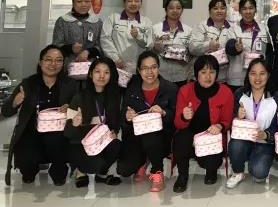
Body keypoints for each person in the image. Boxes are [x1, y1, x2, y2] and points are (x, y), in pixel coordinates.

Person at [2, 45, 77, 186]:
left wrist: (70, 108)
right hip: (31, 132)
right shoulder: (28, 83)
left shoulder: (70, 84)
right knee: (27, 168)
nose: (53, 64)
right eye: (48, 59)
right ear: (40, 62)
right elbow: (5, 111)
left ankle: (58, 171)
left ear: (63, 63)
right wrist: (15, 102)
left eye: (58, 60)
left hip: (58, 132)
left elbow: (80, 109)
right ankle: (31, 169)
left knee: (57, 141)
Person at [172, 55, 234, 193]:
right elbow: (178, 124)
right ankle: (182, 175)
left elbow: (227, 121)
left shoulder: (226, 92)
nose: (208, 76)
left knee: (210, 163)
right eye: (203, 72)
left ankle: (211, 170)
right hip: (190, 133)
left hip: (211, 136)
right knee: (181, 138)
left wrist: (220, 126)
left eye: (212, 72)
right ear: (196, 74)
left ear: (217, 73)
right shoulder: (184, 90)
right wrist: (184, 117)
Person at [118, 51, 177, 192]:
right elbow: (123, 120)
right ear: (139, 70)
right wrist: (128, 117)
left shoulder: (170, 88)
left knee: (151, 135)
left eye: (153, 67)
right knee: (124, 170)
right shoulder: (132, 89)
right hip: (137, 137)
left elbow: (176, 118)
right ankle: (144, 160)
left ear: (158, 68)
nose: (150, 72)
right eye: (145, 68)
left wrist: (163, 113)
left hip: (162, 137)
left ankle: (157, 172)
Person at [65, 57, 122, 187]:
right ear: (91, 74)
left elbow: (115, 124)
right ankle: (80, 171)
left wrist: (114, 132)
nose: (102, 76)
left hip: (101, 142)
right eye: (97, 71)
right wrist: (74, 124)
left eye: (106, 72)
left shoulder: (114, 98)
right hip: (81, 144)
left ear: (111, 75)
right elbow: (68, 133)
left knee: (117, 145)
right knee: (94, 164)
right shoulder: (79, 97)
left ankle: (101, 175)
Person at [226, 58, 278, 188]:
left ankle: (257, 158)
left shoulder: (276, 97)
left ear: (268, 75)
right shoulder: (239, 94)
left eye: (262, 73)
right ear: (248, 75)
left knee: (259, 174)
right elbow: (230, 120)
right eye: (253, 73)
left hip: (264, 143)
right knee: (236, 145)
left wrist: (266, 135)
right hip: (243, 139)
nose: (257, 78)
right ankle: (238, 172)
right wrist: (237, 117)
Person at [101, 0, 153, 82]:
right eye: (129, 1)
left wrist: (138, 36)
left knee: (135, 89)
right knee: (115, 89)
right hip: (116, 66)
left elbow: (149, 44)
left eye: (136, 1)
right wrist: (115, 59)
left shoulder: (146, 22)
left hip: (138, 68)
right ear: (124, 3)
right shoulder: (113, 18)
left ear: (141, 3)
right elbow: (105, 39)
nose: (133, 4)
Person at [225, 0, 273, 91]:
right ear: (240, 11)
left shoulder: (263, 29)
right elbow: (228, 48)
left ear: (255, 10)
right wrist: (235, 48)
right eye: (244, 9)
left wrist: (267, 71)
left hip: (258, 79)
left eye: (251, 8)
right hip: (237, 79)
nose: (248, 12)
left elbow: (269, 53)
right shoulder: (233, 29)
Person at [52, 0, 103, 74]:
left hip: (91, 67)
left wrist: (88, 52)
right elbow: (56, 46)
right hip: (67, 67)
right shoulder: (63, 21)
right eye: (79, 1)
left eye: (87, 1)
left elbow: (101, 46)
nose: (83, 4)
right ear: (73, 3)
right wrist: (71, 48)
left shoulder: (97, 22)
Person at [189, 0, 236, 84]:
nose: (219, 11)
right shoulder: (202, 26)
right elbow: (192, 48)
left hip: (223, 78)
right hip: (201, 77)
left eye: (222, 8)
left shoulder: (232, 28)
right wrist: (208, 45)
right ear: (210, 11)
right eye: (215, 8)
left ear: (226, 10)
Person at [152, 0, 193, 87]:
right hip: (160, 75)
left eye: (178, 8)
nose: (175, 10)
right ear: (166, 10)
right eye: (171, 8)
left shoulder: (189, 30)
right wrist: (156, 46)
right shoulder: (155, 29)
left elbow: (192, 54)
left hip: (181, 76)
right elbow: (149, 51)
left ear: (182, 10)